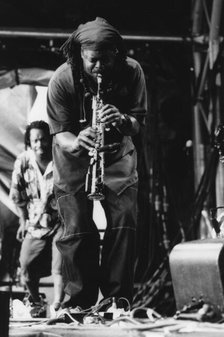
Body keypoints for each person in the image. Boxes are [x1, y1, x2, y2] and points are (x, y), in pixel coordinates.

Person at [47, 17, 147, 311]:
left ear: (117, 53)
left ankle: (117, 302)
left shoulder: (133, 71)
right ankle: (79, 302)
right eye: (93, 61)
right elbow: (60, 134)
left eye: (105, 60)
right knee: (77, 228)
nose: (99, 67)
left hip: (117, 154)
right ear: (80, 55)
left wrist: (123, 120)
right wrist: (78, 141)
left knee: (125, 221)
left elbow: (137, 124)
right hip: (73, 157)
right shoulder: (62, 79)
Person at [10, 120, 64, 317]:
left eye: (43, 139)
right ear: (29, 142)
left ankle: (57, 305)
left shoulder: (59, 158)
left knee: (60, 265)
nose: (39, 144)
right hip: (34, 223)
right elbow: (17, 195)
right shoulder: (23, 161)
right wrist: (23, 221)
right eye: (35, 141)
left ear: (49, 140)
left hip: (60, 221)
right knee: (25, 264)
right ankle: (36, 301)